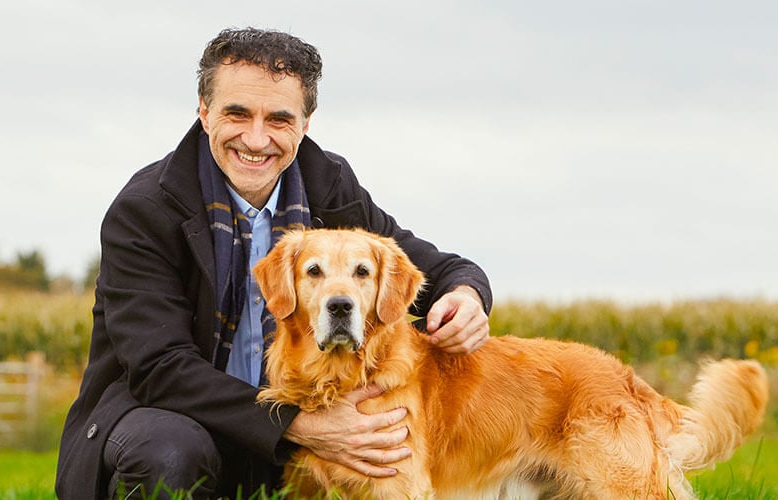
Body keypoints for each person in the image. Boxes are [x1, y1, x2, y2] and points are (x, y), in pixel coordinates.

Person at [55, 27, 494, 499]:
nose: (257, 138)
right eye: (237, 113)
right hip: (171, 416)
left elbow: (431, 267)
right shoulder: (146, 209)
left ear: (306, 123)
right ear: (204, 113)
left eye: (279, 119)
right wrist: (297, 424)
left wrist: (467, 294)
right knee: (169, 451)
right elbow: (160, 368)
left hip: (284, 427)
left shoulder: (329, 185)